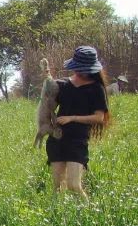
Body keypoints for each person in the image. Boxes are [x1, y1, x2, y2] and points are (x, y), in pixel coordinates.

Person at [45, 46, 111, 198]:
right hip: (57, 138)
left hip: (78, 140)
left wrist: (72, 118)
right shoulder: (61, 84)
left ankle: (90, 213)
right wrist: (48, 88)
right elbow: (50, 107)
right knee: (57, 187)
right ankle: (58, 218)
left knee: (74, 185)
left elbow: (99, 117)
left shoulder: (96, 89)